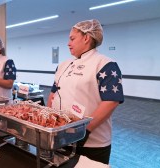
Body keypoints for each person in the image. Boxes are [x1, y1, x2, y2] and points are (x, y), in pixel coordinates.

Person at [47, 19, 124, 164]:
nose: (68, 43)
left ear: (86, 37)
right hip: (62, 138)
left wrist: (84, 131)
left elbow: (111, 101)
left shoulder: (105, 64)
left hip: (92, 142)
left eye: (72, 39)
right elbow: (53, 93)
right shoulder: (63, 65)